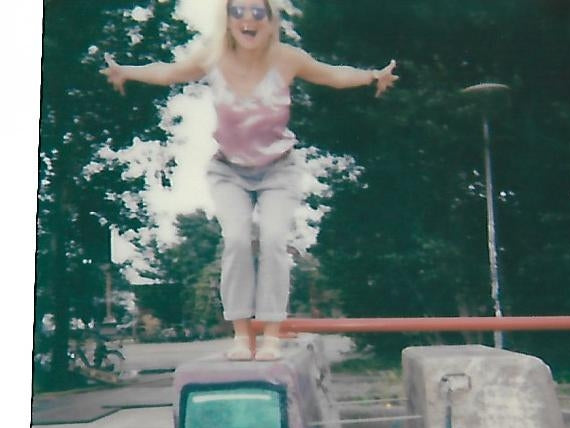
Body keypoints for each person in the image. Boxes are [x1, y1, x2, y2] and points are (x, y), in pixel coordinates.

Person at [102, 0, 398, 361]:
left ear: (271, 22)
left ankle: (271, 335)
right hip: (228, 170)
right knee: (238, 240)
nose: (248, 19)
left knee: (273, 240)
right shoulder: (212, 57)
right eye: (238, 11)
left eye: (258, 13)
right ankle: (242, 335)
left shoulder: (287, 59)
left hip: (279, 169)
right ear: (228, 21)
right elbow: (169, 72)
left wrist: (371, 76)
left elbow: (332, 74)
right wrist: (127, 71)